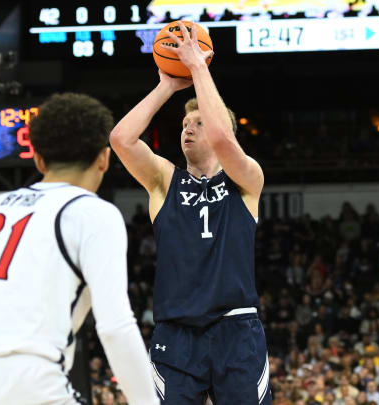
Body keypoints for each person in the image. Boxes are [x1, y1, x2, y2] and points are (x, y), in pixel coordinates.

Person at [0, 93, 160, 404]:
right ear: (104, 158)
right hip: (25, 382)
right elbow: (115, 327)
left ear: (39, 160)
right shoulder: (92, 212)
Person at [109, 21, 269, 404]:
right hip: (176, 334)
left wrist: (199, 68)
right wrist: (167, 84)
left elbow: (222, 139)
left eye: (198, 122)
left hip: (237, 328)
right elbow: (120, 139)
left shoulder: (246, 179)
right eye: (184, 123)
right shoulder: (164, 181)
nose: (189, 129)